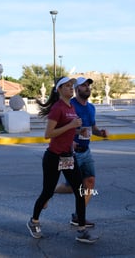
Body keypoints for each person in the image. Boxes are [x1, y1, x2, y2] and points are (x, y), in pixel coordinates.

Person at [26, 76, 98, 244]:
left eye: (71, 86)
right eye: (67, 86)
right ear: (58, 90)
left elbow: (68, 129)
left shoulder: (71, 106)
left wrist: (78, 132)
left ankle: (81, 230)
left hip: (68, 156)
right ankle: (34, 221)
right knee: (47, 192)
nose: (71, 88)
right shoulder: (57, 108)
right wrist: (71, 126)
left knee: (80, 190)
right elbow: (48, 134)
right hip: (53, 157)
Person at [55, 77, 108, 227]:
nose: (87, 88)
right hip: (69, 151)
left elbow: (93, 128)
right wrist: (78, 131)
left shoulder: (91, 108)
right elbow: (61, 129)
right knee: (72, 187)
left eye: (88, 86)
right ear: (77, 89)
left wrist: (101, 132)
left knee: (90, 182)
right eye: (84, 86)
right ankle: (50, 191)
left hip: (86, 151)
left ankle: (79, 217)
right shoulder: (69, 105)